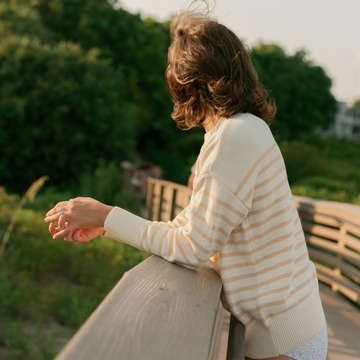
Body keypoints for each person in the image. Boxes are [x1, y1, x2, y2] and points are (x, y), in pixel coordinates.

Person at [44, 4, 328, 360]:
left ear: (186, 82)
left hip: (284, 338)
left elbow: (192, 246)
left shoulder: (234, 138)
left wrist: (104, 214)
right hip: (292, 328)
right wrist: (107, 226)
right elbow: (192, 227)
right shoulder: (242, 130)